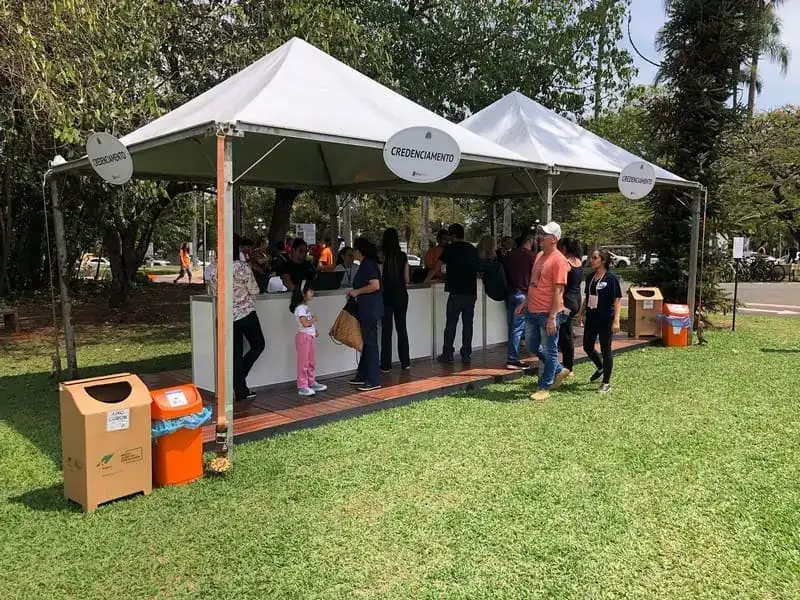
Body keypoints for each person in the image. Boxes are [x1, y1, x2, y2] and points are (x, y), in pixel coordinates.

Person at [208, 234, 265, 402]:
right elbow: (254, 290)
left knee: (234, 354)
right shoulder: (241, 267)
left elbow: (213, 292)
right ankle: (239, 380)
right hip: (246, 313)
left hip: (225, 316)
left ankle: (240, 388)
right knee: (258, 345)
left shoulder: (212, 268)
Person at [517, 222, 571, 401]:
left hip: (548, 313)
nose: (540, 237)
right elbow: (534, 283)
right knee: (532, 346)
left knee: (550, 350)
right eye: (541, 234)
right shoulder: (540, 255)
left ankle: (544, 386)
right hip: (532, 310)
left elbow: (558, 291)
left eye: (545, 235)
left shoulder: (560, 261)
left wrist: (552, 317)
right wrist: (525, 303)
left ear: (554, 240)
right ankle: (558, 369)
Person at [425, 223, 479, 364]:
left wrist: (425, 281)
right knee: (468, 325)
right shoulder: (472, 249)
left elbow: (436, 267)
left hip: (456, 292)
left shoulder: (450, 248)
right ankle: (466, 354)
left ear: (453, 235)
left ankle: (447, 353)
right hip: (471, 292)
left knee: (451, 324)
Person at [580, 248, 622, 393]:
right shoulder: (590, 277)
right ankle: (600, 366)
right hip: (592, 317)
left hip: (605, 318)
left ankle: (606, 382)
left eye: (595, 258)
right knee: (587, 346)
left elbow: (617, 299)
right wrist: (580, 314)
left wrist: (616, 320)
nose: (592, 260)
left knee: (606, 349)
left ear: (603, 261)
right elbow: (587, 296)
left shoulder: (611, 278)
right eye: (592, 258)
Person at [347, 237, 383, 391]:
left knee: (370, 343)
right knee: (367, 342)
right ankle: (362, 374)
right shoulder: (366, 264)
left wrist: (357, 292)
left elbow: (375, 285)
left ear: (359, 251)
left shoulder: (368, 264)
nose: (352, 252)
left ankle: (374, 379)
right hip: (367, 308)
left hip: (370, 308)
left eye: (354, 250)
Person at [379, 228, 411, 372]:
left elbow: (379, 278)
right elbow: (407, 280)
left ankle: (386, 365)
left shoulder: (381, 256)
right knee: (402, 328)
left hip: (386, 297)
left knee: (386, 331)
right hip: (401, 296)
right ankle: (405, 362)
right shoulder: (403, 256)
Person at [290, 279, 328, 397]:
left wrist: (314, 330)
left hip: (309, 337)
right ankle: (302, 386)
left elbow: (308, 324)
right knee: (303, 363)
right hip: (303, 338)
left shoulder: (305, 307)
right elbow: (305, 323)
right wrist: (313, 320)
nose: (312, 292)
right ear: (303, 293)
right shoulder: (300, 308)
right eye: (310, 290)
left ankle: (311, 382)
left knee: (310, 361)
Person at [503, 233, 534, 369]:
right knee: (518, 327)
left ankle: (513, 356)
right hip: (523, 294)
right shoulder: (531, 256)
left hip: (511, 293)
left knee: (512, 326)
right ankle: (513, 358)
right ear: (528, 241)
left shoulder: (509, 255)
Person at [557, 237, 585, 374]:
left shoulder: (566, 263)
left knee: (565, 335)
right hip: (576, 300)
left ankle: (568, 367)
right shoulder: (578, 262)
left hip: (567, 302)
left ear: (564, 249)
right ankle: (568, 365)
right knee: (566, 332)